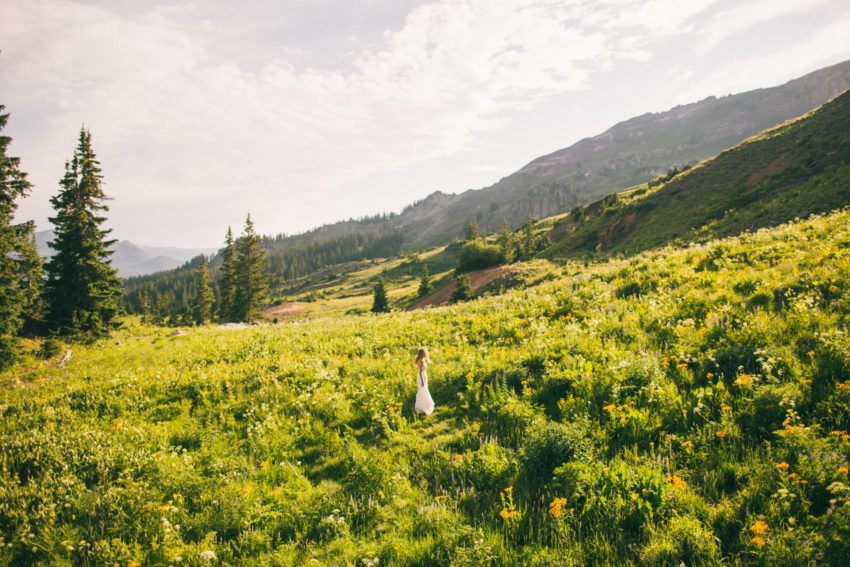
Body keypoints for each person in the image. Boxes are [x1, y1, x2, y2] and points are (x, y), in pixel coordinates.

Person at [414, 347, 434, 416]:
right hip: (421, 378)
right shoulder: (421, 361)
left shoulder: (422, 360)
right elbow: (420, 371)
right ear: (423, 353)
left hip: (423, 377)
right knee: (423, 391)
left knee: (423, 391)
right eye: (425, 352)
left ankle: (424, 406)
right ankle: (423, 407)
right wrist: (422, 381)